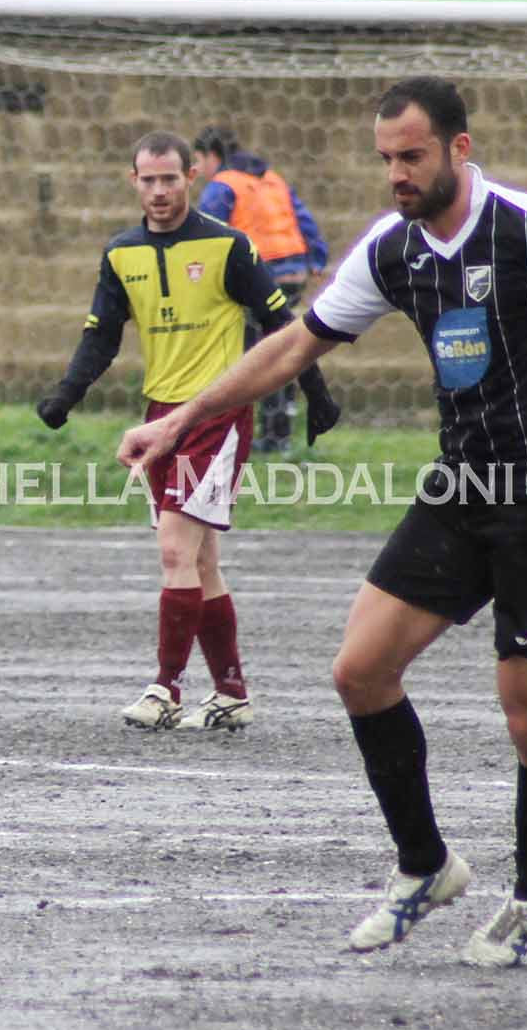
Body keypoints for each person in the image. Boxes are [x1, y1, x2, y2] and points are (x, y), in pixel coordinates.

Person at [120, 77, 527, 967]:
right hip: (460, 485)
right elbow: (293, 344)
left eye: (411, 156)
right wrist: (179, 418)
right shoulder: (392, 250)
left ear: (458, 149)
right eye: (385, 158)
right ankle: (424, 864)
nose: (396, 173)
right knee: (358, 669)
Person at [35, 130, 340, 735]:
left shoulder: (230, 247)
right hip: (159, 421)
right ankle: (230, 691)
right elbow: (101, 335)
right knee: (200, 562)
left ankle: (165, 688)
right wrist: (66, 394)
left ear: (190, 178)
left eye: (169, 179)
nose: (158, 191)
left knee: (175, 550)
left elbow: (286, 327)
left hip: (216, 417)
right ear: (134, 183)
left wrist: (317, 395)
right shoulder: (122, 254)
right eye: (147, 180)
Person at [192, 125, 337, 455]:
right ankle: (280, 431)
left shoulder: (222, 185)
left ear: (212, 156)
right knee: (281, 349)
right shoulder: (273, 178)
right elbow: (303, 218)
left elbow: (208, 233)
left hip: (261, 277)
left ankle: (263, 435)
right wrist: (317, 258)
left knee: (256, 357)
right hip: (293, 272)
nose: (198, 170)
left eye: (199, 160)